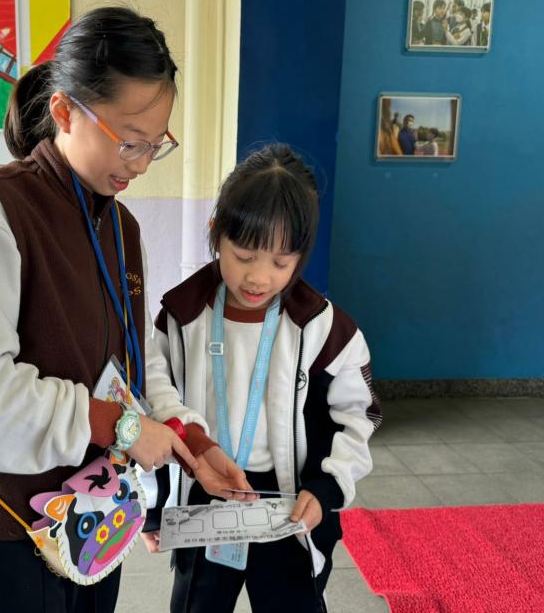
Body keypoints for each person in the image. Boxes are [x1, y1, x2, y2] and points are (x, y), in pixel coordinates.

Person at [0, 6, 252, 613]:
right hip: (6, 521)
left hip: (94, 519)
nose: (139, 163)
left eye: (155, 145)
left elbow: (136, 367)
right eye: (128, 140)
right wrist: (119, 428)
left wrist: (192, 444)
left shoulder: (122, 228)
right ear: (64, 112)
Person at [141, 144, 382, 613]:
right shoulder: (181, 317)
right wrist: (155, 507)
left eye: (280, 262)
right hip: (206, 493)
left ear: (301, 257)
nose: (259, 277)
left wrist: (326, 488)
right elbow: (155, 405)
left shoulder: (323, 328)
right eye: (244, 255)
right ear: (216, 233)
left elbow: (358, 416)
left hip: (290, 500)